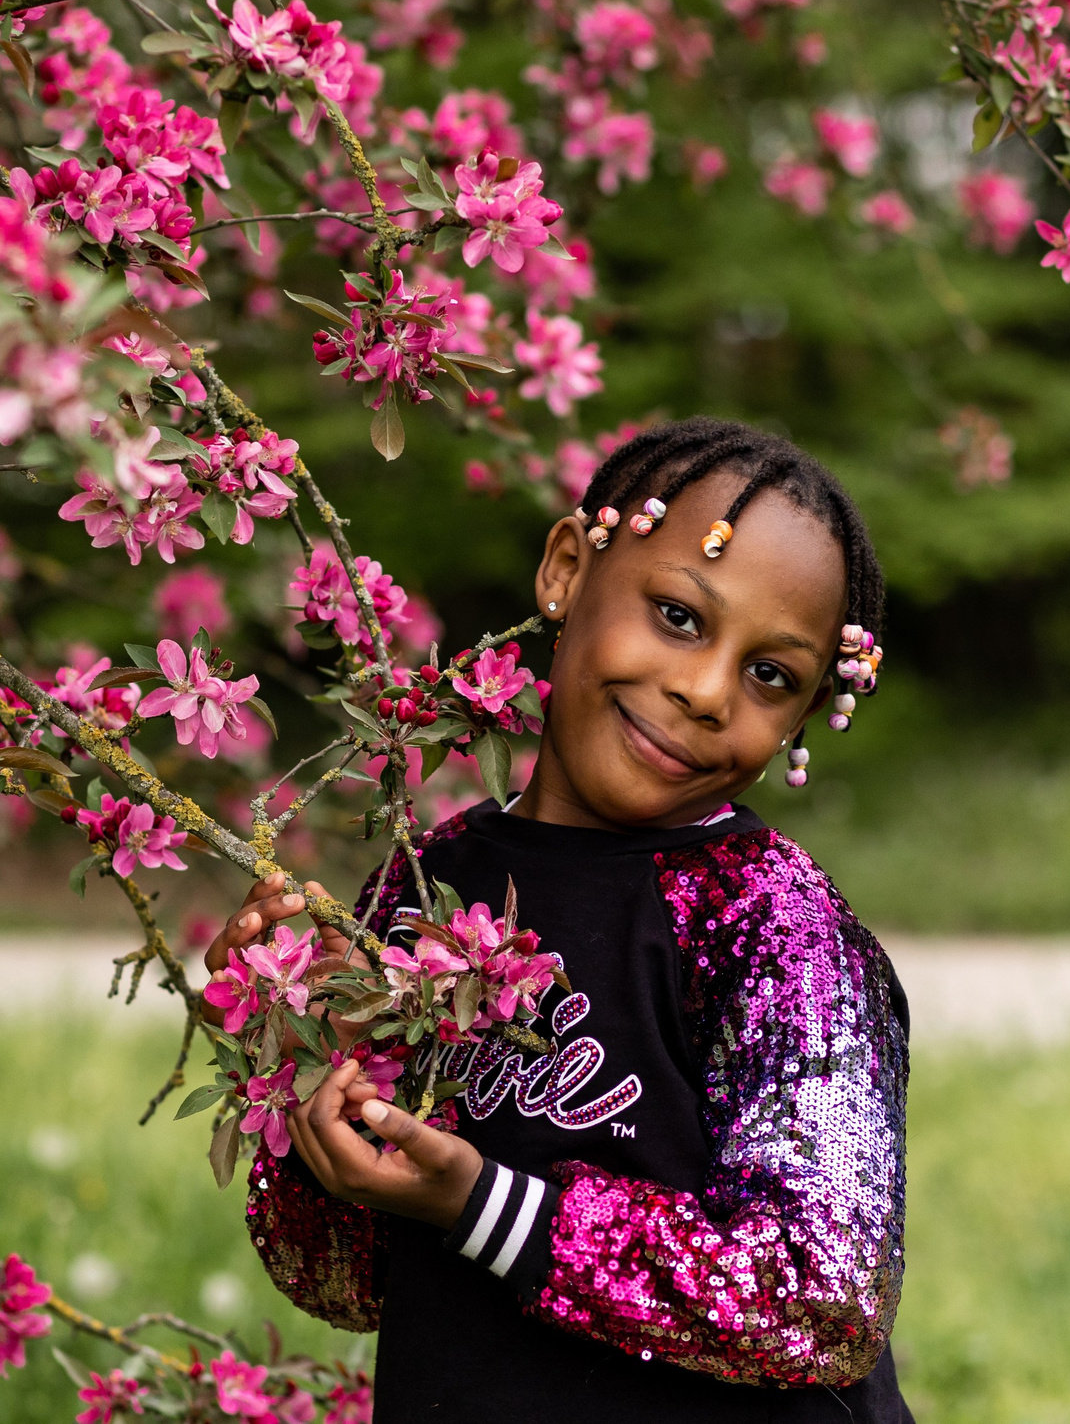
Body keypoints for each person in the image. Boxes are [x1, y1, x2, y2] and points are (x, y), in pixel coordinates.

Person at [216, 418, 915, 1423]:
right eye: (678, 615)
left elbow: (825, 1298)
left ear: (802, 719)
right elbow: (339, 1281)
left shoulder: (777, 931)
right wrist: (306, 1065)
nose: (705, 689)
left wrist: (487, 1207)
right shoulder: (423, 884)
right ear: (565, 570)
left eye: (771, 676)